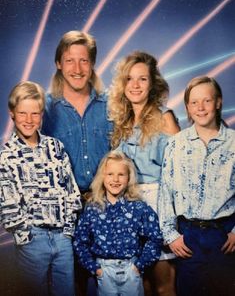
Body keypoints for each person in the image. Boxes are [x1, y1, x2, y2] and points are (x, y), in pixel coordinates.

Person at [108, 51, 180, 296]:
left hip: (158, 207)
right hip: (129, 208)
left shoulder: (164, 117)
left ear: (153, 84)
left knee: (163, 286)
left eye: (143, 79)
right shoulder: (122, 122)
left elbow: (178, 172)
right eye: (130, 79)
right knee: (140, 285)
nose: (135, 85)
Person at [0, 81, 82, 296]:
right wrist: (24, 234)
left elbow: (71, 189)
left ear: (42, 115)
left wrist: (68, 230)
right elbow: (7, 203)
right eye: (22, 113)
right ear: (12, 114)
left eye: (35, 114)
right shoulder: (7, 156)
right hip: (32, 239)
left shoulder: (55, 147)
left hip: (62, 238)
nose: (29, 120)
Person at [159, 76, 235, 296]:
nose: (200, 108)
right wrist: (170, 234)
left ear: (218, 102)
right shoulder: (176, 143)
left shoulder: (232, 142)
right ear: (187, 107)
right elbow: (166, 192)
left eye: (207, 101)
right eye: (194, 103)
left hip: (223, 236)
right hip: (189, 235)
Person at [74, 151, 163, 296]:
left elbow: (155, 237)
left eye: (121, 174)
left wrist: (139, 266)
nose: (115, 179)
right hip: (103, 270)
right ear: (102, 177)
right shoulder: (92, 208)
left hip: (131, 270)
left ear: (129, 178)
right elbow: (80, 241)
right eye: (110, 174)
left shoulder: (139, 207)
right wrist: (95, 269)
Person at [41, 30, 112, 195]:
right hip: (62, 204)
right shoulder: (44, 109)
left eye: (84, 61)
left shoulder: (112, 104)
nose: (77, 69)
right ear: (59, 63)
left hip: (105, 204)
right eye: (69, 61)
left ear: (92, 63)